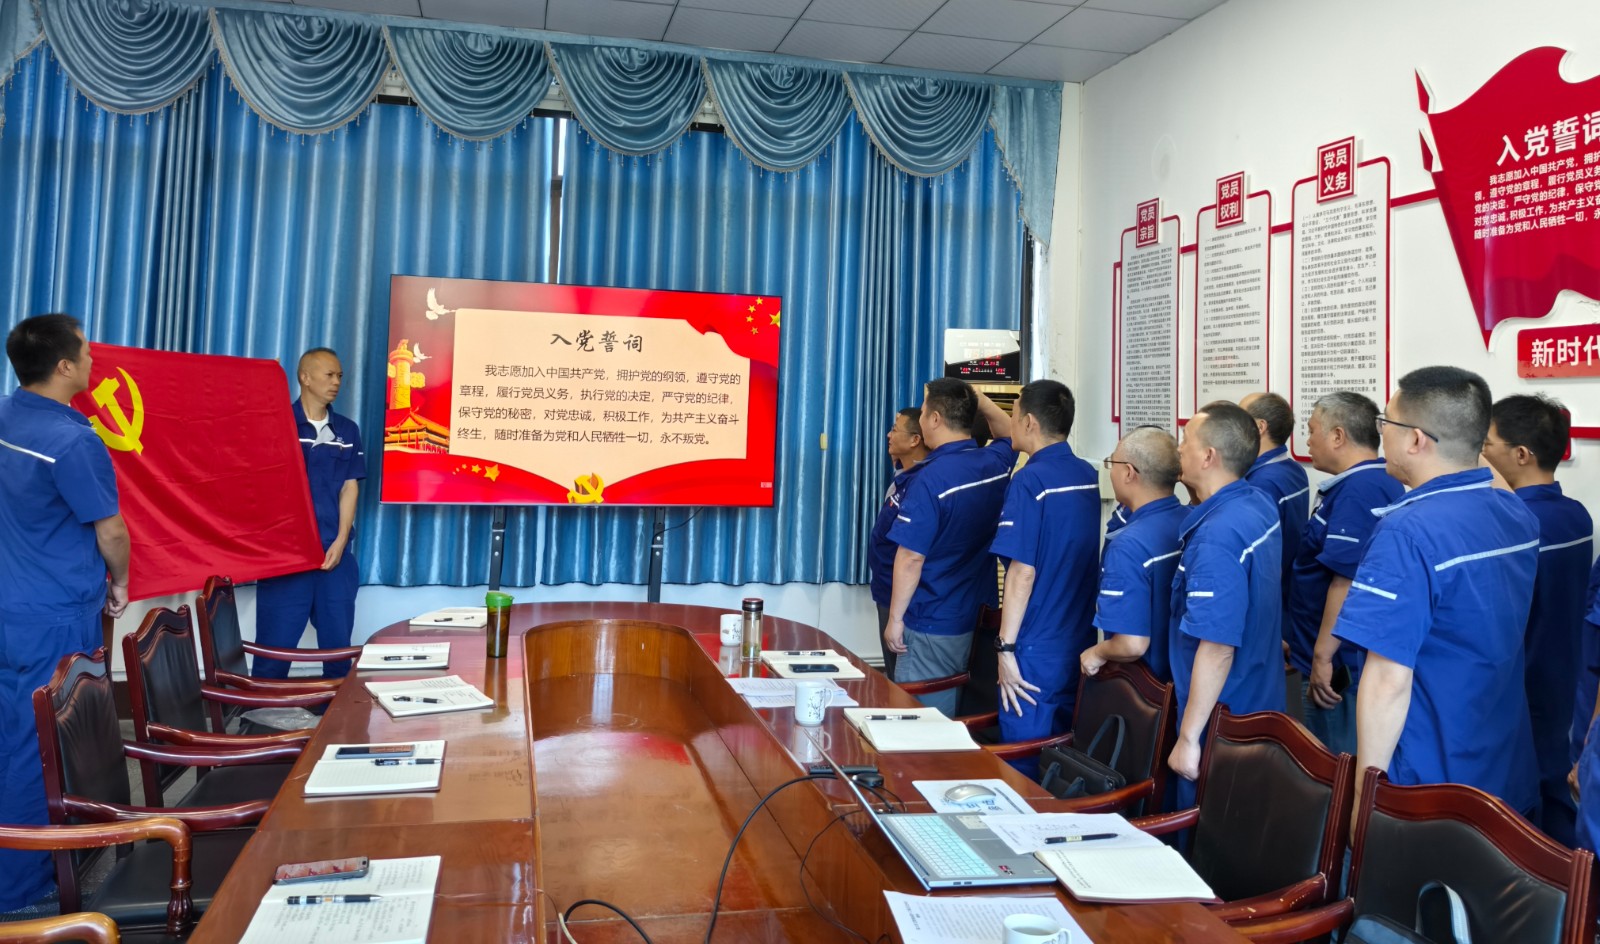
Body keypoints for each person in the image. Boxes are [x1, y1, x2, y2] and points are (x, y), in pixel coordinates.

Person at [1334, 367, 1540, 821]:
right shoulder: (1515, 512)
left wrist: (1363, 801)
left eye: (1386, 422)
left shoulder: (1406, 532)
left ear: (1415, 439)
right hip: (1503, 766)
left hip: (1430, 787)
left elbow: (1388, 681)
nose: (1380, 434)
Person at [0, 314, 129, 911]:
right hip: (52, 614)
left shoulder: (8, 416)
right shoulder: (73, 442)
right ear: (64, 366)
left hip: (11, 603)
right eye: (86, 352)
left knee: (12, 735)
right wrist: (120, 581)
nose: (94, 360)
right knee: (41, 745)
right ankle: (21, 891)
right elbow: (111, 531)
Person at [1481, 394, 1592, 844]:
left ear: (1522, 454)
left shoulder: (1515, 526)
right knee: (1558, 787)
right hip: (1565, 675)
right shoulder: (1576, 514)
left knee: (1524, 811)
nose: (1480, 452)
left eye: (1487, 443)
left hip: (1524, 683)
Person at [1168, 401, 1286, 805]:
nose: (1178, 449)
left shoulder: (1217, 537)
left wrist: (1189, 738)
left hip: (1221, 716)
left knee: (1206, 826)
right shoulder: (1257, 501)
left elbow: (1216, 646)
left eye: (1185, 441)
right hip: (1259, 698)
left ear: (1208, 456)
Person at [981, 382, 1098, 775]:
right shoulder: (1086, 474)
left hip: (1034, 648)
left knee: (1022, 767)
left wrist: (1006, 649)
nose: (1010, 422)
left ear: (1029, 422)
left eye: (1013, 415)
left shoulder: (1030, 481)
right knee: (1062, 764)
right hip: (1077, 642)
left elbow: (1022, 571)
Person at [885, 378, 1014, 717]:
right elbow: (1009, 433)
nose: (921, 418)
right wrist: (977, 398)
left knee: (920, 724)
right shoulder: (993, 462)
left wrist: (895, 619)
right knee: (956, 715)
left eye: (923, 412)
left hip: (932, 620)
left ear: (935, 419)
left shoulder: (929, 478)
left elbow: (911, 557)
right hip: (976, 614)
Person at [1288, 392, 1403, 757]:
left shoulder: (1359, 491)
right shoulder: (1373, 480)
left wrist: (1322, 657)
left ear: (1338, 436)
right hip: (1331, 650)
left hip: (1338, 662)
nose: (1307, 440)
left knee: (1331, 763)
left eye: (1312, 430)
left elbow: (1347, 580)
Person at [254, 347, 367, 680]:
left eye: (340, 376)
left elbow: (349, 488)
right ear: (305, 377)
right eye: (329, 375)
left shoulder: (347, 431)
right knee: (274, 648)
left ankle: (332, 709)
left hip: (334, 555)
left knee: (337, 650)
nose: (336, 382)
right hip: (286, 557)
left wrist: (342, 540)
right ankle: (261, 708)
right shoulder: (278, 425)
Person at [1081, 426, 1187, 685]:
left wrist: (1097, 652)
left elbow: (1131, 644)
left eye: (1112, 463)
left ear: (1129, 472)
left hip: (1144, 686)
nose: (1110, 470)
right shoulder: (1190, 519)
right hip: (1180, 678)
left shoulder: (1129, 546)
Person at [1240, 392, 1312, 624]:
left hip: (1269, 604)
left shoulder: (1260, 484)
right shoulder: (1294, 469)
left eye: (1240, 418)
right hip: (1287, 596)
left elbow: (1259, 559)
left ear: (1260, 427)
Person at [869, 408, 929, 681]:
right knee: (892, 673)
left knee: (900, 678)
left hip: (900, 593)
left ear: (916, 439)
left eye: (895, 429)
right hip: (884, 587)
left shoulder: (922, 483)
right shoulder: (902, 475)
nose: (888, 435)